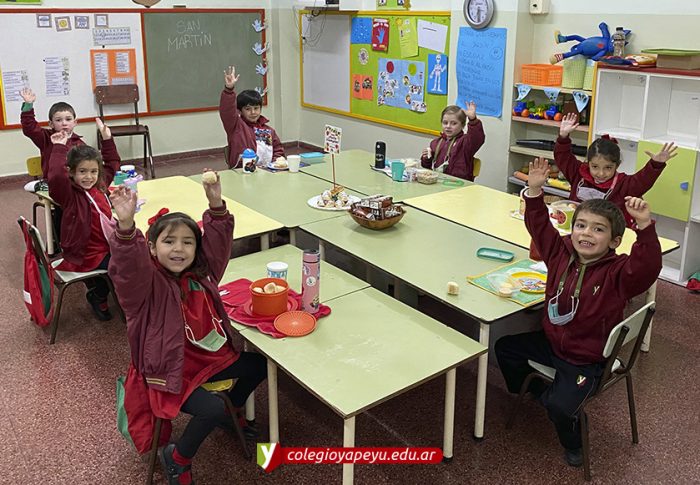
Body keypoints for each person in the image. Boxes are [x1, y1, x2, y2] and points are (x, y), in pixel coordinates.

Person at [495, 157, 662, 468]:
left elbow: (648, 267)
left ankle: (574, 439)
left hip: (586, 359)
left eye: (598, 229)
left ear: (614, 241)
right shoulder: (560, 251)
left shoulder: (619, 273)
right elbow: (539, 227)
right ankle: (534, 391)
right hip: (551, 343)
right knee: (504, 348)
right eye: (581, 226)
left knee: (560, 408)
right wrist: (534, 192)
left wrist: (644, 227)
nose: (586, 233)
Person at [108, 174, 267, 485]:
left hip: (207, 361)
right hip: (168, 374)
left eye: (188, 242)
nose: (178, 249)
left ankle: (233, 409)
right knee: (210, 409)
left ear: (197, 248)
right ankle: (178, 458)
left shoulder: (203, 275)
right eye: (169, 242)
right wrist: (126, 229)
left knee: (258, 366)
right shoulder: (144, 288)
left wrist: (216, 205)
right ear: (151, 248)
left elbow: (218, 247)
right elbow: (128, 268)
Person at [47, 119, 121, 320]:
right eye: (82, 172)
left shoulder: (100, 185)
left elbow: (113, 163)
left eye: (93, 171)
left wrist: (107, 139)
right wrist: (59, 147)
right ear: (71, 172)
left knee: (135, 257)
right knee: (119, 266)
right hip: (86, 253)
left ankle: (113, 290)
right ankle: (98, 295)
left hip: (106, 246)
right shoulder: (69, 195)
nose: (88, 177)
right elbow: (56, 177)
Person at [554, 112, 677, 226]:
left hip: (609, 236)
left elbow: (643, 181)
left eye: (608, 168)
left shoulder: (623, 184)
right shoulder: (578, 173)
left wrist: (656, 164)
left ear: (617, 166)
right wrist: (563, 137)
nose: (601, 173)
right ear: (588, 163)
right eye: (595, 167)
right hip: (578, 230)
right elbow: (563, 157)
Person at [219, 65, 284, 169]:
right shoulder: (235, 126)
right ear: (240, 111)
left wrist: (276, 163)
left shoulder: (269, 131)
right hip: (242, 172)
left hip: (268, 172)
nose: (253, 112)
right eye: (248, 109)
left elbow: (278, 151)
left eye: (256, 108)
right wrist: (229, 90)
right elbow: (227, 111)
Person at [19, 87, 83, 179]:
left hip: (73, 182)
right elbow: (30, 128)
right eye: (58, 120)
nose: (64, 123)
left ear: (75, 122)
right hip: (51, 182)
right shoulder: (46, 137)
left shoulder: (79, 143)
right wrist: (28, 105)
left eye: (68, 119)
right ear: (51, 124)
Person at [420, 101, 485, 181]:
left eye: (454, 123)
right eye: (445, 123)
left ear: (462, 125)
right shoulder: (435, 143)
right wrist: (426, 158)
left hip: (459, 183)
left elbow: (477, 138)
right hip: (439, 182)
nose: (448, 126)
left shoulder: (465, 142)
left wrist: (473, 120)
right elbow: (427, 167)